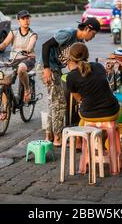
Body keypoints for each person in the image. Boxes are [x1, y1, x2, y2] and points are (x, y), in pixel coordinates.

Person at [42, 18, 101, 146]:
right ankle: (57, 138)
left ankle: (49, 136)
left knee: (53, 102)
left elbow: (73, 64)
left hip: (56, 69)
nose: (93, 37)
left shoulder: (79, 42)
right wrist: (46, 68)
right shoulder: (68, 34)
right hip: (48, 67)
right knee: (60, 103)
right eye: (93, 34)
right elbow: (45, 45)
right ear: (87, 29)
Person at [0, 10, 37, 111]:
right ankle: (4, 109)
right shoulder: (13, 32)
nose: (26, 20)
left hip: (28, 59)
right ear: (18, 21)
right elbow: (4, 44)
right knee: (3, 80)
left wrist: (27, 50)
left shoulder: (32, 34)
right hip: (14, 60)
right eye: (23, 19)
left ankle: (27, 90)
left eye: (27, 18)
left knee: (21, 69)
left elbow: (31, 45)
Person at [66, 42, 120, 126]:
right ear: (87, 55)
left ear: (71, 58)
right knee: (120, 104)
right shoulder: (99, 66)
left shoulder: (71, 76)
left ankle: (85, 136)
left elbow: (79, 99)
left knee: (83, 123)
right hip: (112, 111)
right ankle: (107, 135)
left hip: (88, 114)